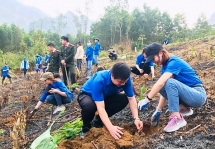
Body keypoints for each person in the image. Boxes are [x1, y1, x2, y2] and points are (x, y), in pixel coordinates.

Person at [138, 42, 207, 133]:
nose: (154, 62)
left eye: (153, 58)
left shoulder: (174, 62)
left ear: (160, 53)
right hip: (188, 96)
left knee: (167, 82)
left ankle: (177, 118)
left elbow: (162, 83)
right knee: (164, 86)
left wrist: (147, 99)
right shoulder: (165, 66)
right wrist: (158, 110)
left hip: (198, 95)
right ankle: (184, 109)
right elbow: (166, 88)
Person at [78, 62, 143, 139]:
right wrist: (110, 127)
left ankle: (98, 121)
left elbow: (131, 99)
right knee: (90, 106)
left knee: (124, 99)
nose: (123, 84)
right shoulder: (100, 80)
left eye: (125, 81)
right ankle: (86, 128)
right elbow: (100, 107)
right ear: (112, 75)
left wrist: (136, 118)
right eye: (120, 82)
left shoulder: (126, 80)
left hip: (105, 96)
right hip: (88, 95)